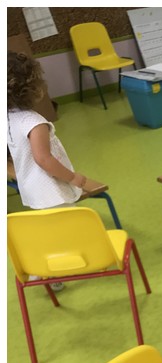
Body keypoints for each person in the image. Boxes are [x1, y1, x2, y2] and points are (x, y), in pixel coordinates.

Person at [8, 51, 96, 291]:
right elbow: (43, 159)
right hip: (51, 188)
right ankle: (52, 271)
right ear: (31, 87)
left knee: (48, 229)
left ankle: (42, 268)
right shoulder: (33, 122)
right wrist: (73, 177)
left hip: (31, 188)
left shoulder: (8, 119)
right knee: (65, 228)